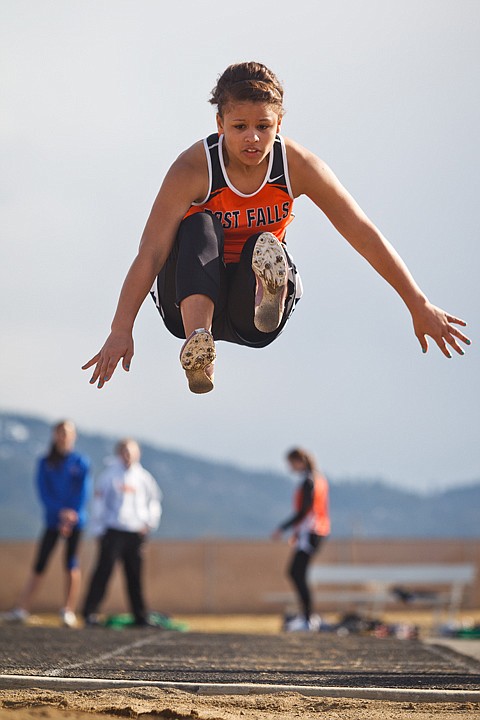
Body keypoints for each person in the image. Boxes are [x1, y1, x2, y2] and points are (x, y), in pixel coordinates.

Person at [82, 61, 470, 394]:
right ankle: (199, 348)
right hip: (187, 300)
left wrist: (416, 303)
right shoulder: (193, 169)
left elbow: (362, 232)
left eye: (263, 126)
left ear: (279, 123)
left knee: (263, 244)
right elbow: (150, 253)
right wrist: (121, 328)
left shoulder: (296, 165)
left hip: (253, 311)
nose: (252, 137)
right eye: (239, 127)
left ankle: (267, 296)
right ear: (220, 124)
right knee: (198, 224)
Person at [1, 420, 91, 628]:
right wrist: (59, 513)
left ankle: (68, 610)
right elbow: (43, 491)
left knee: (71, 564)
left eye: (67, 432)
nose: (63, 436)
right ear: (54, 435)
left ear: (73, 436)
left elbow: (84, 491)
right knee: (40, 564)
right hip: (53, 520)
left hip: (76, 522)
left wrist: (71, 514)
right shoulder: (46, 462)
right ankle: (22, 608)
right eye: (60, 432)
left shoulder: (81, 462)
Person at [82, 438, 162, 627]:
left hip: (135, 533)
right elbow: (99, 503)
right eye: (124, 451)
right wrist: (98, 529)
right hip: (113, 531)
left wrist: (149, 523)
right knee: (103, 572)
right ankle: (90, 613)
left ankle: (140, 616)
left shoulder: (144, 478)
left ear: (138, 454)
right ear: (119, 453)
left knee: (134, 575)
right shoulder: (109, 476)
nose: (128, 455)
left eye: (131, 451)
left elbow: (154, 501)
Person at [272, 448, 330, 632]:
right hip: (313, 530)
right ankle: (307, 617)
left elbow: (304, 511)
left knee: (296, 572)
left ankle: (308, 618)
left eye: (291, 463)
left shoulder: (310, 480)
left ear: (299, 461)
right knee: (297, 573)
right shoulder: (316, 478)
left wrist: (283, 527)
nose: (290, 467)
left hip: (312, 531)